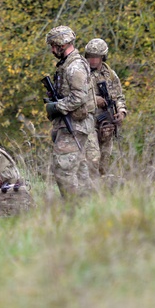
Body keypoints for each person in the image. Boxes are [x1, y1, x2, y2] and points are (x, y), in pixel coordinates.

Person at [44, 25, 98, 196]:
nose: (52, 50)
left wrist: (56, 107)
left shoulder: (75, 67)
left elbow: (79, 97)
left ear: (63, 44)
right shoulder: (66, 65)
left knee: (63, 169)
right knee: (80, 171)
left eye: (54, 46)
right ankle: (88, 207)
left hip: (75, 124)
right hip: (71, 124)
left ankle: (72, 208)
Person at [84, 38, 127, 176]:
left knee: (105, 161)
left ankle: (102, 193)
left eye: (96, 57)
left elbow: (119, 96)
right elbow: (73, 96)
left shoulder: (110, 75)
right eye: (90, 56)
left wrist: (121, 111)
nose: (93, 60)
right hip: (88, 121)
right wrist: (94, 99)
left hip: (107, 124)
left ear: (103, 56)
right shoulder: (82, 73)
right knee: (92, 159)